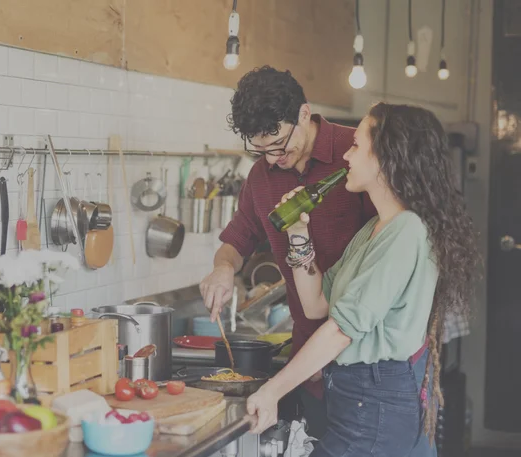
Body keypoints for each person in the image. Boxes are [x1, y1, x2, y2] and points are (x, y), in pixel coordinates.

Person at [245, 102, 480, 456]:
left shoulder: (407, 232)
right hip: (360, 402)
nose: (347, 157)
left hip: (376, 405)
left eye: (356, 146)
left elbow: (342, 329)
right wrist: (297, 232)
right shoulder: (375, 229)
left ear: (386, 157)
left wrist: (272, 390)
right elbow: (316, 305)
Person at [199, 66, 376, 439]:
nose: (272, 158)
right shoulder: (261, 177)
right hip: (307, 362)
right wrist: (223, 268)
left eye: (279, 143)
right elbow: (237, 241)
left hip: (364, 362)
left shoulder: (358, 156)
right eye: (259, 149)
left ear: (304, 114)